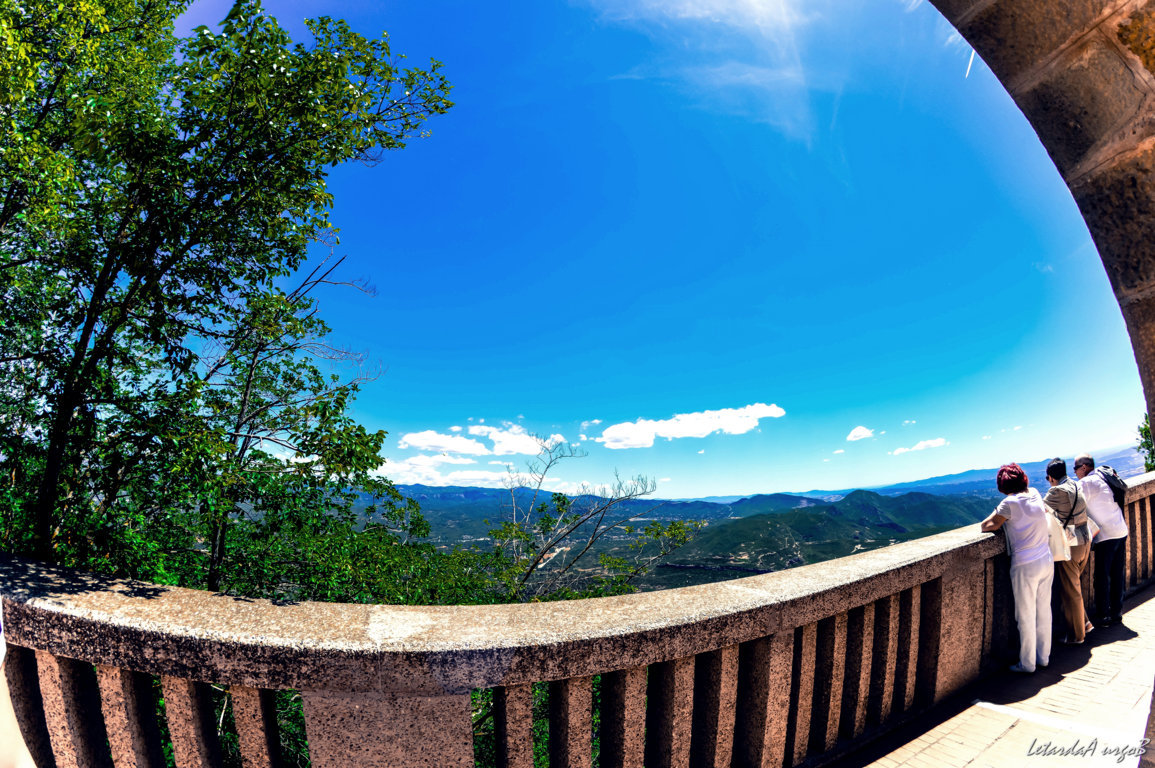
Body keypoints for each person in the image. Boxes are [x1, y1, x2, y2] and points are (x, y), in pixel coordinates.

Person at [981, 463, 1054, 673]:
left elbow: (987, 525)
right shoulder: (1035, 493)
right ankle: (1044, 657)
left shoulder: (1009, 503)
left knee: (1025, 615)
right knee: (1044, 610)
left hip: (1025, 565)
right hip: (1045, 558)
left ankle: (1027, 663)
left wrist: (998, 510)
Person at [1074, 453, 1129, 625]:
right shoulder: (1102, 477)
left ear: (1084, 467)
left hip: (1106, 536)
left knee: (1102, 577)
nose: (1075, 472)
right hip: (1120, 530)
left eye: (1075, 469)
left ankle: (1103, 615)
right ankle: (1117, 612)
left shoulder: (1086, 483)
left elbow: (1070, 500)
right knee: (1117, 574)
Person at [1042, 458, 1093, 644]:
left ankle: (1077, 636)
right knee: (1074, 586)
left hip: (1071, 545)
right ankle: (1086, 623)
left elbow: (1037, 510)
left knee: (1072, 591)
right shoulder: (1076, 484)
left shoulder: (1056, 491)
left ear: (1051, 477)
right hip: (1086, 539)